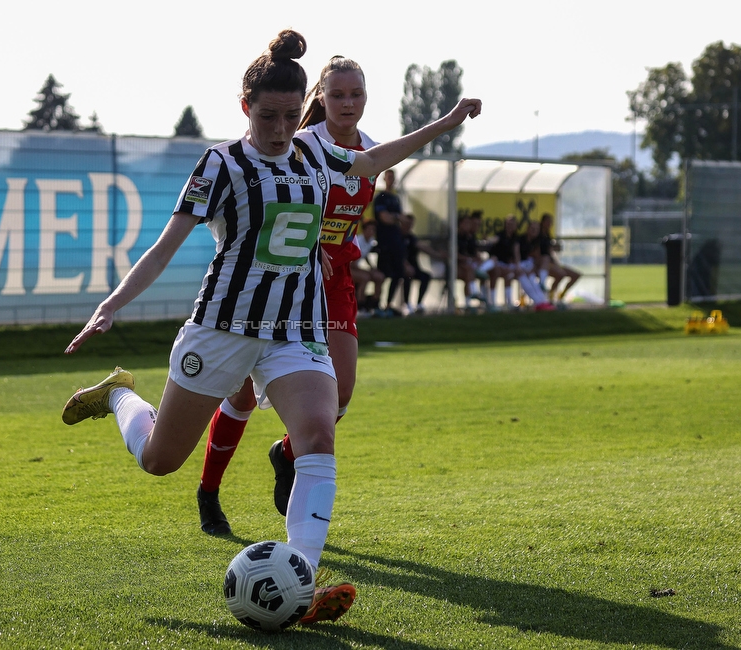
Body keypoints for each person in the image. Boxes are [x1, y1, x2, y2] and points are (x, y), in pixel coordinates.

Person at [60, 29, 481, 626]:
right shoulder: (221, 164)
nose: (282, 129)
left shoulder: (315, 152)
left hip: (294, 328)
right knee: (159, 460)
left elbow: (372, 160)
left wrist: (446, 122)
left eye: (290, 116)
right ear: (245, 108)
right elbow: (164, 247)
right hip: (223, 327)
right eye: (269, 116)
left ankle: (301, 585)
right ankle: (120, 395)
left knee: (318, 431)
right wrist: (111, 305)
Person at [196, 54, 380, 541]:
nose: (347, 103)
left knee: (340, 393)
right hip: (278, 277)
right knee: (237, 393)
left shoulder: (372, 153)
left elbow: (345, 216)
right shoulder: (300, 143)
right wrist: (309, 245)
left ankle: (287, 452)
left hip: (333, 279)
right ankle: (209, 493)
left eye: (356, 94)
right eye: (337, 94)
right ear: (319, 98)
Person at [371, 169, 407, 316]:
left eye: (393, 177)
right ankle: (375, 306)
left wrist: (395, 218)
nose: (391, 180)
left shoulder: (396, 198)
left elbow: (403, 220)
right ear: (384, 179)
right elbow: (384, 218)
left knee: (399, 274)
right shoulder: (380, 197)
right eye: (388, 177)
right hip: (384, 242)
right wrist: (397, 217)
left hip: (396, 241)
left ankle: (388, 305)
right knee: (383, 275)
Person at [538, 212, 581, 306]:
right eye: (548, 222)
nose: (550, 224)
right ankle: (549, 296)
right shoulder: (538, 236)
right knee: (561, 274)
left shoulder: (548, 235)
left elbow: (552, 249)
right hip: (545, 264)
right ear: (542, 222)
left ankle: (561, 296)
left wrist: (554, 247)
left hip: (553, 263)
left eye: (551, 222)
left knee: (576, 275)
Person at [399, 213, 438, 314]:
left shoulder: (411, 237)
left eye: (411, 224)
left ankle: (419, 303)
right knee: (408, 275)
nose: (409, 226)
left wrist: (437, 254)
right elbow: (395, 254)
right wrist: (405, 264)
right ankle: (406, 303)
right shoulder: (397, 236)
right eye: (407, 223)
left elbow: (422, 247)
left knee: (426, 276)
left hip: (413, 267)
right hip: (399, 268)